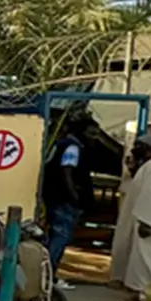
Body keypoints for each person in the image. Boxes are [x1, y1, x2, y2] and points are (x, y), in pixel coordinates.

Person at [108, 134, 151, 301]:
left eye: (138, 146)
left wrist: (147, 221)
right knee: (140, 257)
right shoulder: (149, 166)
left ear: (149, 150)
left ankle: (147, 294)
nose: (134, 149)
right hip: (145, 219)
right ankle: (139, 291)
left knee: (147, 259)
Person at [41, 115, 96, 283]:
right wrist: (74, 196)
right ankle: (48, 276)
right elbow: (67, 172)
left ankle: (46, 274)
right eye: (91, 134)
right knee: (61, 236)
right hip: (63, 200)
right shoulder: (73, 148)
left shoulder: (61, 144)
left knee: (55, 236)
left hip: (54, 197)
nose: (93, 138)